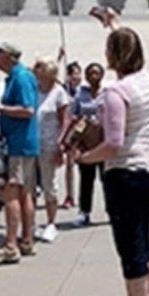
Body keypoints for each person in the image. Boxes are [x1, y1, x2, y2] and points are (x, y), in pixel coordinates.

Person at [71, 23, 149, 296]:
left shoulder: (116, 92)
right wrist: (112, 24)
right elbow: (128, 42)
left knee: (131, 252)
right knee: (145, 244)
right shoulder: (147, 80)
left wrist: (86, 158)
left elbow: (113, 144)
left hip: (126, 174)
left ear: (112, 56)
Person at [0, 42, 40, 264]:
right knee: (25, 192)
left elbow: (27, 110)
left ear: (9, 56)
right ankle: (26, 240)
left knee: (11, 192)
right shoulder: (17, 77)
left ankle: (11, 245)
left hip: (18, 144)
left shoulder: (21, 77)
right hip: (22, 143)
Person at [62, 62, 105, 227]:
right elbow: (72, 115)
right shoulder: (81, 95)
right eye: (91, 73)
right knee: (86, 180)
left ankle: (112, 210)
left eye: (97, 73)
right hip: (86, 143)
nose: (94, 76)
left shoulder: (107, 94)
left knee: (107, 180)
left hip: (103, 142)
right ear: (86, 77)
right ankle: (84, 212)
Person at [33, 57, 71, 243]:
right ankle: (30, 223)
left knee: (49, 185)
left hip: (50, 143)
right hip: (31, 143)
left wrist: (61, 144)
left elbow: (65, 120)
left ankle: (51, 223)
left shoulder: (59, 93)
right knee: (29, 185)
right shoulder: (33, 90)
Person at [61, 60, 84, 210]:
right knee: (69, 165)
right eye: (74, 73)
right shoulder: (64, 90)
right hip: (70, 131)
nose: (77, 76)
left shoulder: (84, 90)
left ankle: (83, 197)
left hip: (84, 131)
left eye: (78, 73)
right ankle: (70, 195)